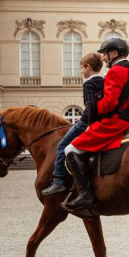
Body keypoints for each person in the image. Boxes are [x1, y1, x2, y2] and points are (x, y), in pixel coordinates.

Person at [63, 37, 129, 214]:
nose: (104, 59)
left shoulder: (115, 72)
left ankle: (85, 195)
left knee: (70, 149)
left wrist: (94, 105)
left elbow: (109, 103)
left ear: (114, 53)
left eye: (105, 54)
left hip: (115, 123)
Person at [41, 53, 104, 196]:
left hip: (86, 122)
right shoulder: (104, 81)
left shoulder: (88, 83)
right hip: (99, 121)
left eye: (81, 67)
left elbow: (91, 106)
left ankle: (58, 180)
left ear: (88, 67)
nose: (81, 71)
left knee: (62, 145)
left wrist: (86, 122)